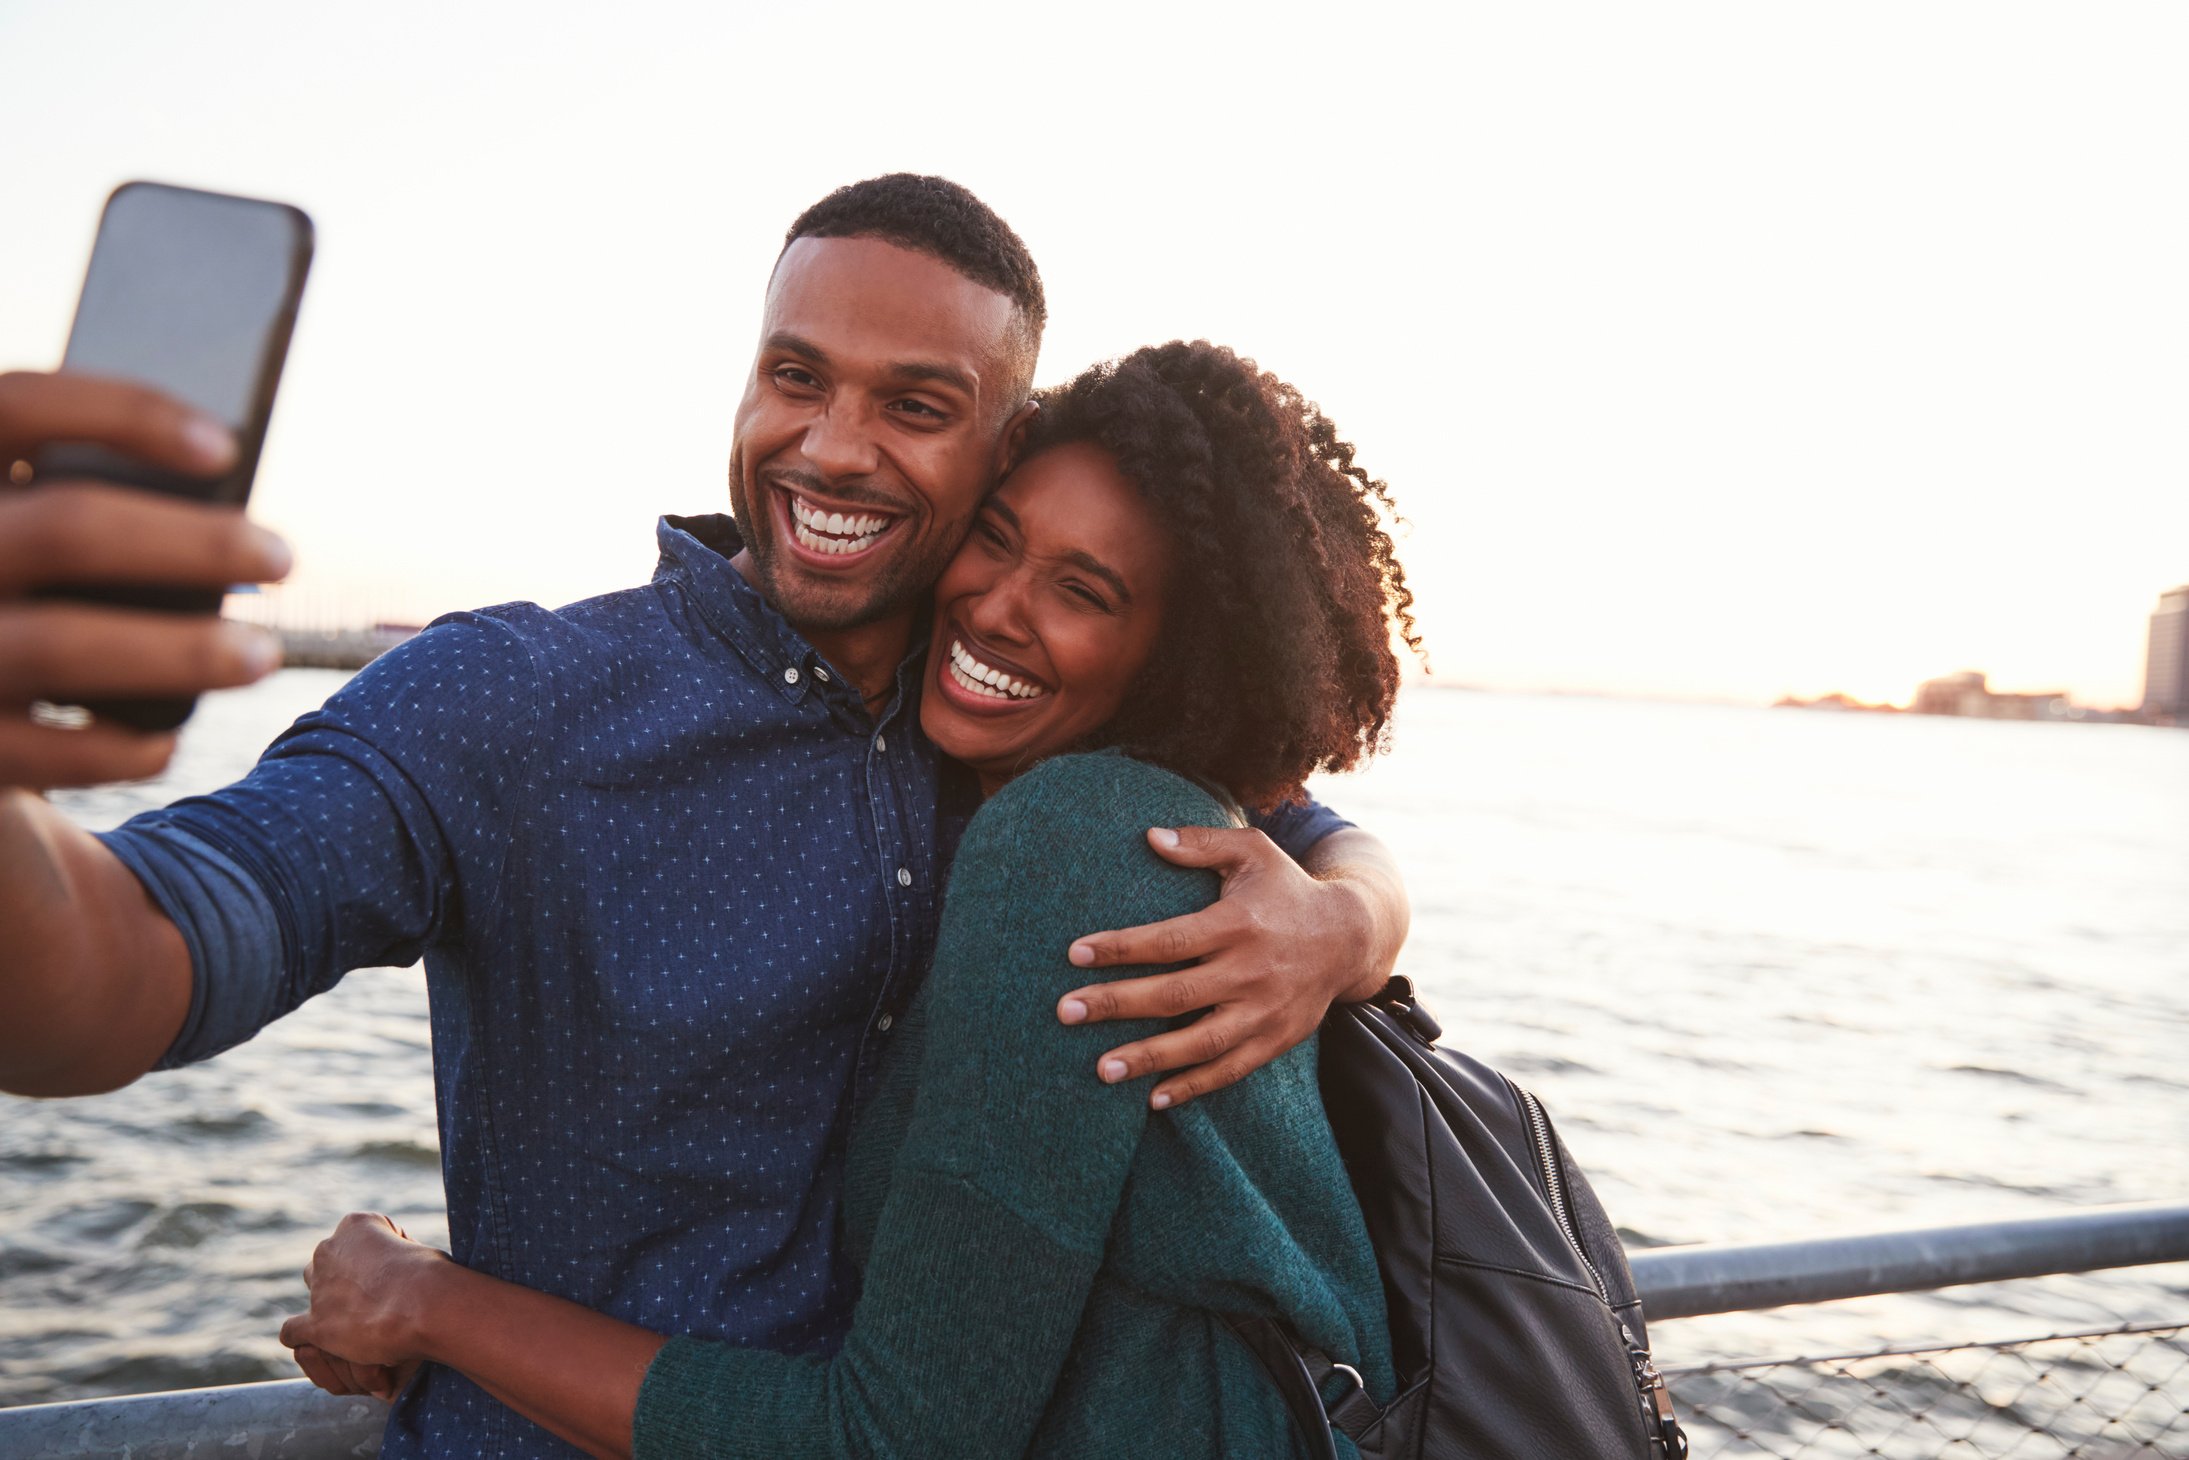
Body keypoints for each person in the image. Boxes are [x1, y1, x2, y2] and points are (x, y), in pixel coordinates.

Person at [0, 176, 1412, 1455]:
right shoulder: (515, 703)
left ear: (1007, 444)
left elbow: (1291, 824)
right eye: (795, 376)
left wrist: (1344, 924)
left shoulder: (1014, 707)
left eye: (915, 406)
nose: (833, 448)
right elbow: (132, 962)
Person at [281, 340, 1420, 1459]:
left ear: (1176, 661)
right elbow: (1329, 841)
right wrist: (1356, 915)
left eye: (1082, 590)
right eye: (995, 536)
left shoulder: (1067, 845)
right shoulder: (1157, 819)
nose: (994, 606)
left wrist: (429, 1300)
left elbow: (889, 1440)